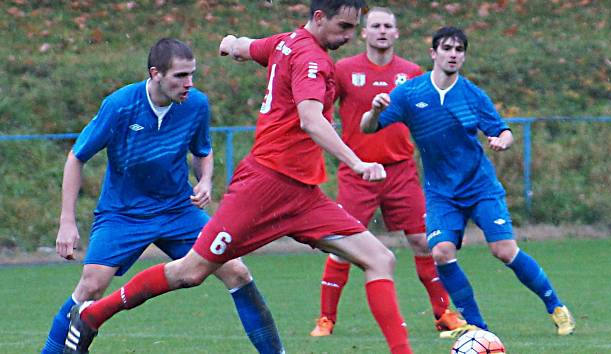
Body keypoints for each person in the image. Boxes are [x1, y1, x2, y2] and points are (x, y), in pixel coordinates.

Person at [64, 2, 414, 354]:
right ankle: (94, 315)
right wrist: (357, 163)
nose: (349, 36)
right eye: (343, 27)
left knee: (380, 258)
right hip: (264, 187)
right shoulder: (313, 60)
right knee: (191, 272)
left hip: (304, 195)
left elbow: (248, 46)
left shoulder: (285, 42)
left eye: (354, 28)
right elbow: (310, 119)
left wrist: (231, 44)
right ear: (319, 18)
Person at [42, 38, 284, 354]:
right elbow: (76, 157)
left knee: (237, 271)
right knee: (91, 285)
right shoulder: (120, 105)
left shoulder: (196, 104)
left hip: (177, 211)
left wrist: (206, 181)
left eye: (192, 74)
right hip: (123, 214)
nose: (189, 83)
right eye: (180, 76)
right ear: (156, 73)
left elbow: (203, 151)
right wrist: (67, 222)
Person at [360, 26, 576, 339]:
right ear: (434, 53)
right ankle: (477, 327)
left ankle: (556, 306)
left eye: (459, 50)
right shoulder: (410, 93)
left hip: (480, 187)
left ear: (463, 56)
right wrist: (375, 110)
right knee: (441, 252)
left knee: (504, 250)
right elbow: (368, 128)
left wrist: (503, 140)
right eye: (447, 48)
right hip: (441, 193)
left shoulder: (473, 95)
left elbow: (503, 131)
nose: (453, 54)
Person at [310, 7, 466, 337]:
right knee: (342, 243)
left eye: (388, 26)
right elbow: (319, 110)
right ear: (364, 32)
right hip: (358, 172)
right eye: (376, 26)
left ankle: (443, 313)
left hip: (400, 170)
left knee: (424, 241)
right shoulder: (343, 70)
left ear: (396, 33)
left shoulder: (410, 73)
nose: (382, 31)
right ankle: (326, 319)